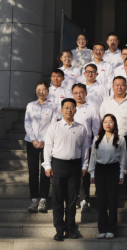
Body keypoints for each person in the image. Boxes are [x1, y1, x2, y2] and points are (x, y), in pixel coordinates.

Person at [42, 98, 90, 241]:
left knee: (72, 199)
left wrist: (84, 166)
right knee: (57, 199)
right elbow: (48, 147)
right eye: (67, 107)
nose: (69, 110)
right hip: (58, 165)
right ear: (62, 110)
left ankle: (70, 228)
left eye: (72, 107)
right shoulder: (54, 127)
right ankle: (59, 229)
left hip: (75, 166)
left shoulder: (81, 128)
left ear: (76, 110)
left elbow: (85, 149)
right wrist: (47, 165)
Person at [99, 77, 127, 210]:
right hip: (110, 139)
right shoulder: (106, 102)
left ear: (126, 87)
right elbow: (102, 120)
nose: (119, 87)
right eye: (117, 85)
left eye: (122, 85)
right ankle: (110, 201)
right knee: (111, 170)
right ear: (112, 87)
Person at [89, 113, 126, 239]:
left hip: (113, 169)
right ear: (102, 124)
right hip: (100, 170)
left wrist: (122, 172)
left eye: (110, 121)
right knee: (101, 200)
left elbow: (123, 157)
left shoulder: (120, 139)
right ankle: (102, 229)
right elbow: (93, 156)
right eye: (105, 121)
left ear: (114, 124)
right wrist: (92, 172)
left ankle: (111, 229)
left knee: (112, 200)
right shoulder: (97, 138)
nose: (108, 124)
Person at [24, 81, 59, 214]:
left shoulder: (53, 106)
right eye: (39, 89)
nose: (41, 92)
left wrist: (44, 140)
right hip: (31, 141)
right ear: (35, 91)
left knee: (46, 170)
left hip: (47, 142)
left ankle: (43, 199)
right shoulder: (30, 105)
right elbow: (27, 123)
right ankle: (34, 199)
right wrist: (34, 139)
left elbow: (53, 124)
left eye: (44, 89)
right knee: (33, 171)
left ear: (48, 91)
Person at [72, 83, 100, 212]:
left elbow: (96, 130)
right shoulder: (69, 107)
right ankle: (72, 199)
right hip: (70, 146)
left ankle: (84, 200)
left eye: (81, 92)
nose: (79, 95)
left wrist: (92, 146)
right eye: (76, 92)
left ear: (86, 93)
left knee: (84, 174)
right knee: (72, 174)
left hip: (86, 147)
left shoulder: (92, 109)